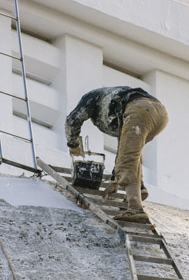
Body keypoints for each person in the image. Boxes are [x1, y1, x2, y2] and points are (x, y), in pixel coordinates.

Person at [65, 86, 168, 214]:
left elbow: (72, 120)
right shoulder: (117, 108)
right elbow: (123, 150)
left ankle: (135, 208)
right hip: (160, 114)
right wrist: (115, 180)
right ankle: (139, 188)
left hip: (141, 109)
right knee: (131, 153)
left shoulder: (91, 98)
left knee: (127, 159)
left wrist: (73, 145)